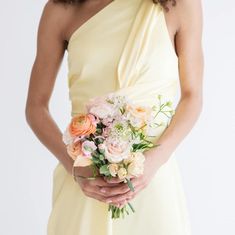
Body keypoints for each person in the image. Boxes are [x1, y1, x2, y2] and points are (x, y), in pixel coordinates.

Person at [25, 0, 203, 234]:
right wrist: (75, 168)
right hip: (86, 181)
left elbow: (192, 96)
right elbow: (36, 107)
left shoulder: (180, 4)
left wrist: (154, 161)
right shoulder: (60, 10)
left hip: (152, 177)